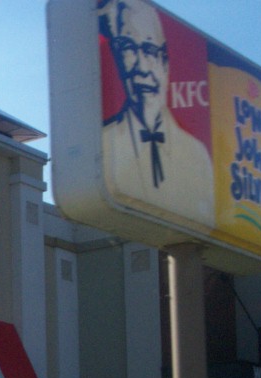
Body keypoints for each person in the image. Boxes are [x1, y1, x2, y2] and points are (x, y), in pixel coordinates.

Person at [99, 0, 215, 229]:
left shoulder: (198, 157)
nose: (142, 67)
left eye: (150, 50)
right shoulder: (104, 147)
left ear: (165, 61)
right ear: (116, 55)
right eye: (128, 48)